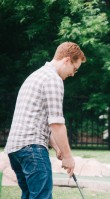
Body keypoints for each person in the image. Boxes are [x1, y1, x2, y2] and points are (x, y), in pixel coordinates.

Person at [4, 42, 86, 199]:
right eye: (74, 69)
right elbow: (56, 123)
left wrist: (56, 146)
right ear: (67, 60)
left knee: (29, 195)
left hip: (15, 149)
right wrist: (68, 157)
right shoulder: (53, 79)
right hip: (31, 149)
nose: (73, 74)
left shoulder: (36, 75)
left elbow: (36, 118)